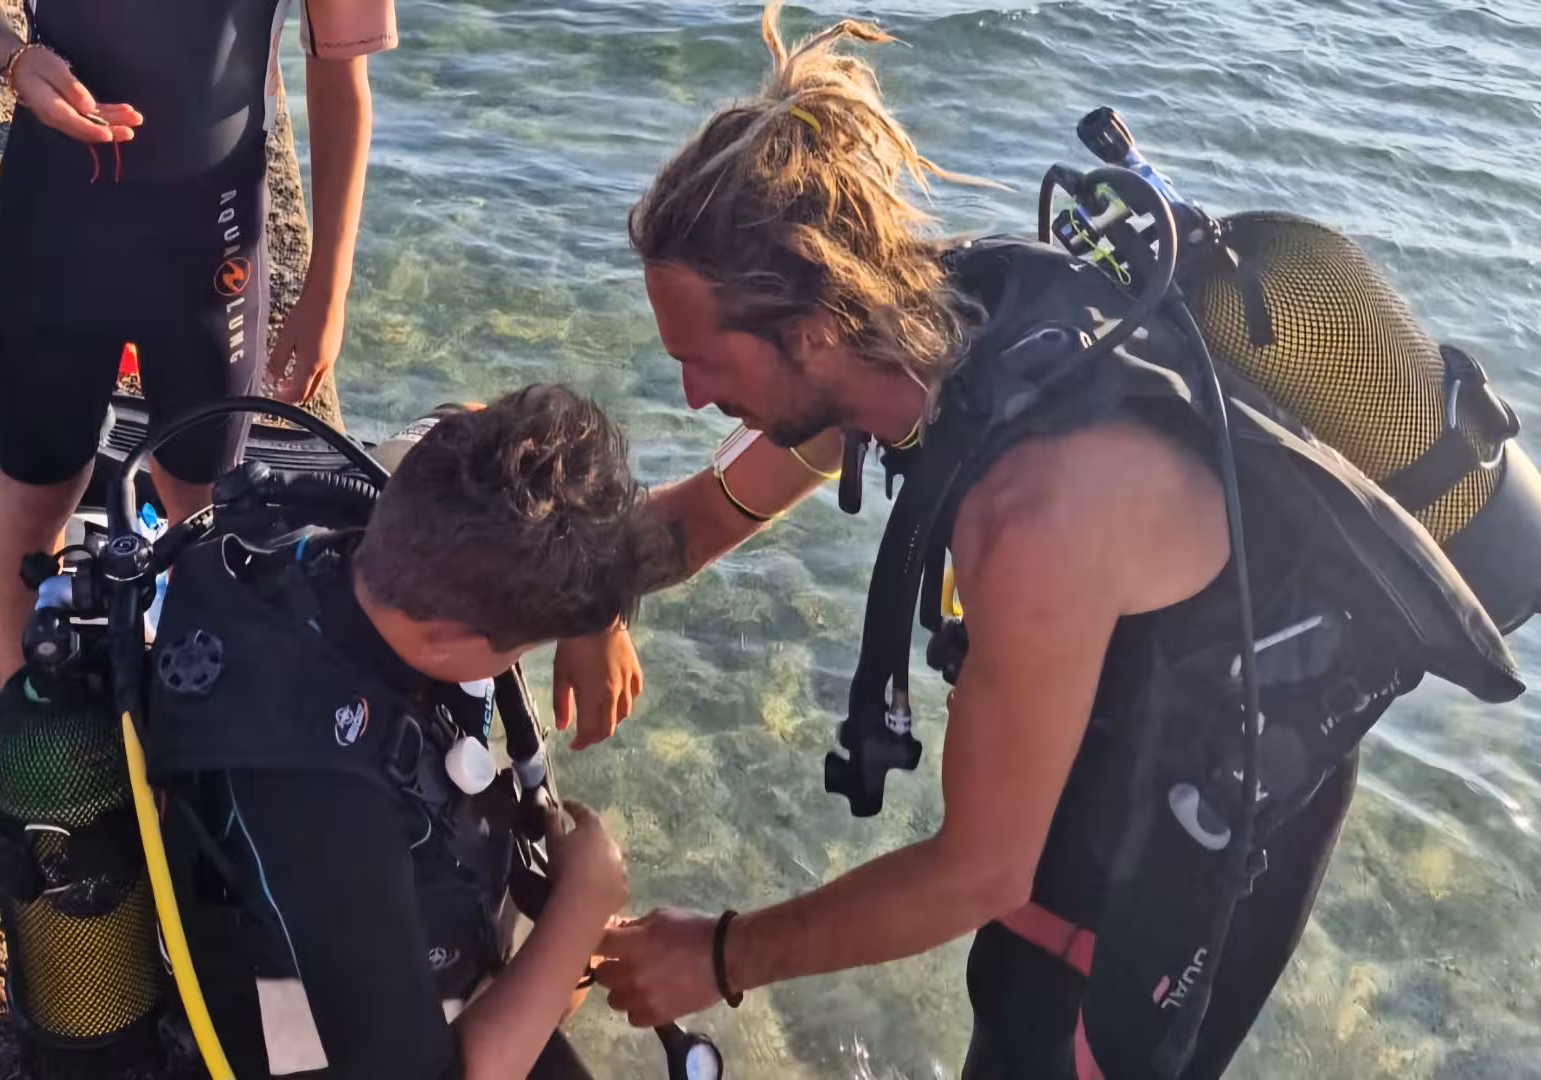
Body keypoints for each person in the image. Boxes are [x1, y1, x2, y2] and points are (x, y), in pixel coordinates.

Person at [557, 5, 1528, 1078]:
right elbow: (702, 516)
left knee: (1043, 1044)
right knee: (1010, 1002)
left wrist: (719, 955)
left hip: (1196, 826)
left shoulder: (1034, 519)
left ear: (810, 332)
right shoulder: (915, 328)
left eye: (703, 362)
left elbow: (976, 872)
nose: (692, 395)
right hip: (1100, 745)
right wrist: (592, 596)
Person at [143, 385, 656, 1079]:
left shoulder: (387, 510)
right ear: (447, 639)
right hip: (300, 1028)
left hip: (347, 907)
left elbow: (467, 416)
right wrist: (581, 906)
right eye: (523, 646)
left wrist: (597, 619)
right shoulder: (323, 806)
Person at [0, 0, 390, 688]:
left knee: (202, 499)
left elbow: (342, 78)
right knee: (33, 485)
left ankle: (184, 709)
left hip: (212, 234)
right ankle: (18, 711)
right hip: (55, 213)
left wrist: (328, 287)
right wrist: (16, 61)